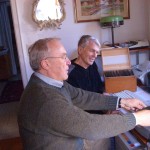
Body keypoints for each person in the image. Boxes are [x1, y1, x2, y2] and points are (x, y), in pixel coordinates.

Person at [18, 37, 150, 150]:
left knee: (113, 138)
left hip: (70, 139)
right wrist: (137, 118)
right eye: (63, 57)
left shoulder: (52, 83)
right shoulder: (46, 100)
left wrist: (120, 102)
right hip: (69, 144)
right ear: (46, 64)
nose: (69, 62)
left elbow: (82, 96)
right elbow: (90, 127)